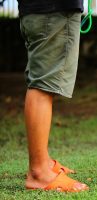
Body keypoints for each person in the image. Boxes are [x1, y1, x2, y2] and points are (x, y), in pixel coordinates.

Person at [18, 0, 89, 192]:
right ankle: (39, 172)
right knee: (43, 86)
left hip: (41, 10)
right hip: (53, 9)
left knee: (42, 83)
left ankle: (44, 163)